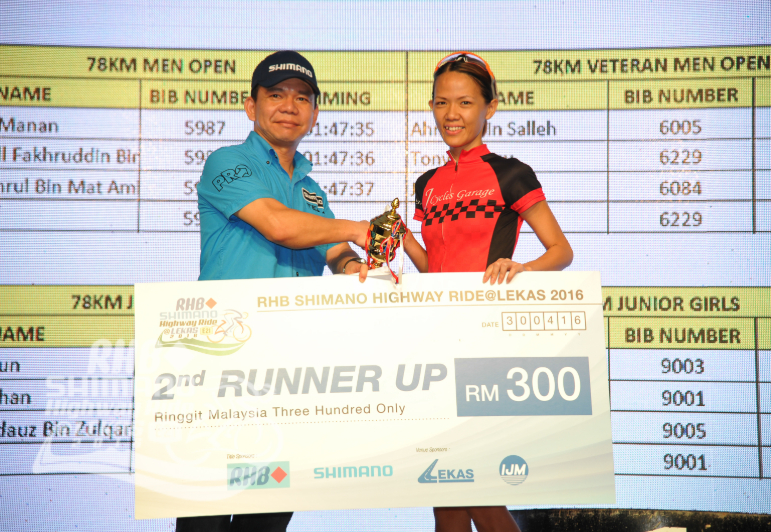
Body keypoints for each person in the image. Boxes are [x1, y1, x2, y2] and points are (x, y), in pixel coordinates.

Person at [178, 50, 368, 532]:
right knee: (205, 518)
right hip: (223, 363)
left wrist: (356, 268)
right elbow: (280, 227)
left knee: (265, 519)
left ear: (315, 113)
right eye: (277, 95)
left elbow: (334, 251)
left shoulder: (311, 190)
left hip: (289, 372)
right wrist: (358, 228)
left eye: (302, 98)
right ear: (251, 106)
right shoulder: (227, 162)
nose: (289, 106)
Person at [402, 52, 573, 532]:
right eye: (441, 103)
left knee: (481, 494)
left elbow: (561, 251)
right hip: (435, 345)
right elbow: (435, 273)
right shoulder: (426, 184)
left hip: (485, 346)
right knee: (446, 500)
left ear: (489, 108)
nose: (451, 114)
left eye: (464, 103)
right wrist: (404, 239)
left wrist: (523, 267)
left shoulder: (510, 173)